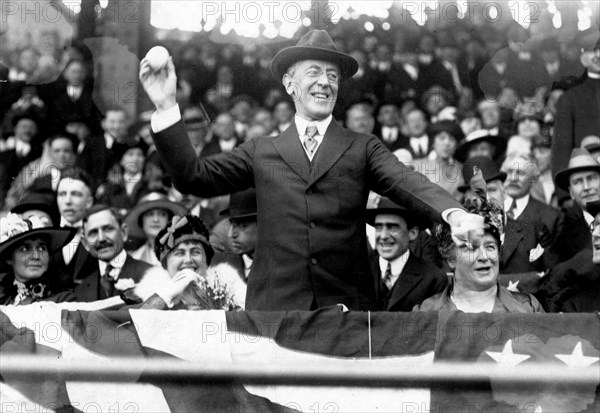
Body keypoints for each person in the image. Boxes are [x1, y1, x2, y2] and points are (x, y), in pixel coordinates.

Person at [139, 29, 484, 311]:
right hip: (274, 314)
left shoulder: (362, 146)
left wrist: (452, 213)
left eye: (333, 76)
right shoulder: (262, 150)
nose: (325, 82)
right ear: (290, 84)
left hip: (346, 314)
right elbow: (192, 176)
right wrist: (167, 107)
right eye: (314, 72)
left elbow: (406, 180)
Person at [415, 197, 545, 313]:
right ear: (450, 258)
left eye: (490, 246)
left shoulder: (528, 308)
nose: (484, 257)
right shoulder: (427, 313)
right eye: (472, 248)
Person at [130, 214, 246, 310]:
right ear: (165, 263)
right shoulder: (149, 289)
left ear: (206, 258)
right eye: (179, 253)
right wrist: (166, 294)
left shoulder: (226, 283)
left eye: (195, 252)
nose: (188, 260)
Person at [367, 197, 447, 311]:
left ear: (412, 233)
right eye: (378, 227)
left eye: (392, 227)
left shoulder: (433, 279)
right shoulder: (360, 272)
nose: (383, 236)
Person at [74, 205, 151, 302]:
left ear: (123, 232)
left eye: (108, 229)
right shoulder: (81, 290)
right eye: (93, 232)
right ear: (85, 243)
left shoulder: (151, 274)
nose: (101, 238)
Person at [0, 213, 77, 305]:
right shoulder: (4, 301)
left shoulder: (63, 301)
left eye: (42, 248)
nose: (36, 256)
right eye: (25, 249)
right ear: (8, 258)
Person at [554, 148, 600, 261]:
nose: (586, 187)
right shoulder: (565, 235)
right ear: (571, 192)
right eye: (578, 182)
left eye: (591, 178)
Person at [53, 168, 97, 282]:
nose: (67, 201)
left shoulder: (99, 235)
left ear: (89, 202)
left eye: (75, 194)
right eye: (62, 194)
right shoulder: (47, 235)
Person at [126, 192, 186, 266]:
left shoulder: (185, 252)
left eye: (162, 214)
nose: (156, 219)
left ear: (169, 221)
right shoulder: (135, 259)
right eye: (150, 214)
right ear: (141, 221)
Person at [214, 188, 258, 281]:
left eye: (242, 225)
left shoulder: (281, 266)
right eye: (232, 224)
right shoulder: (223, 266)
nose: (231, 234)